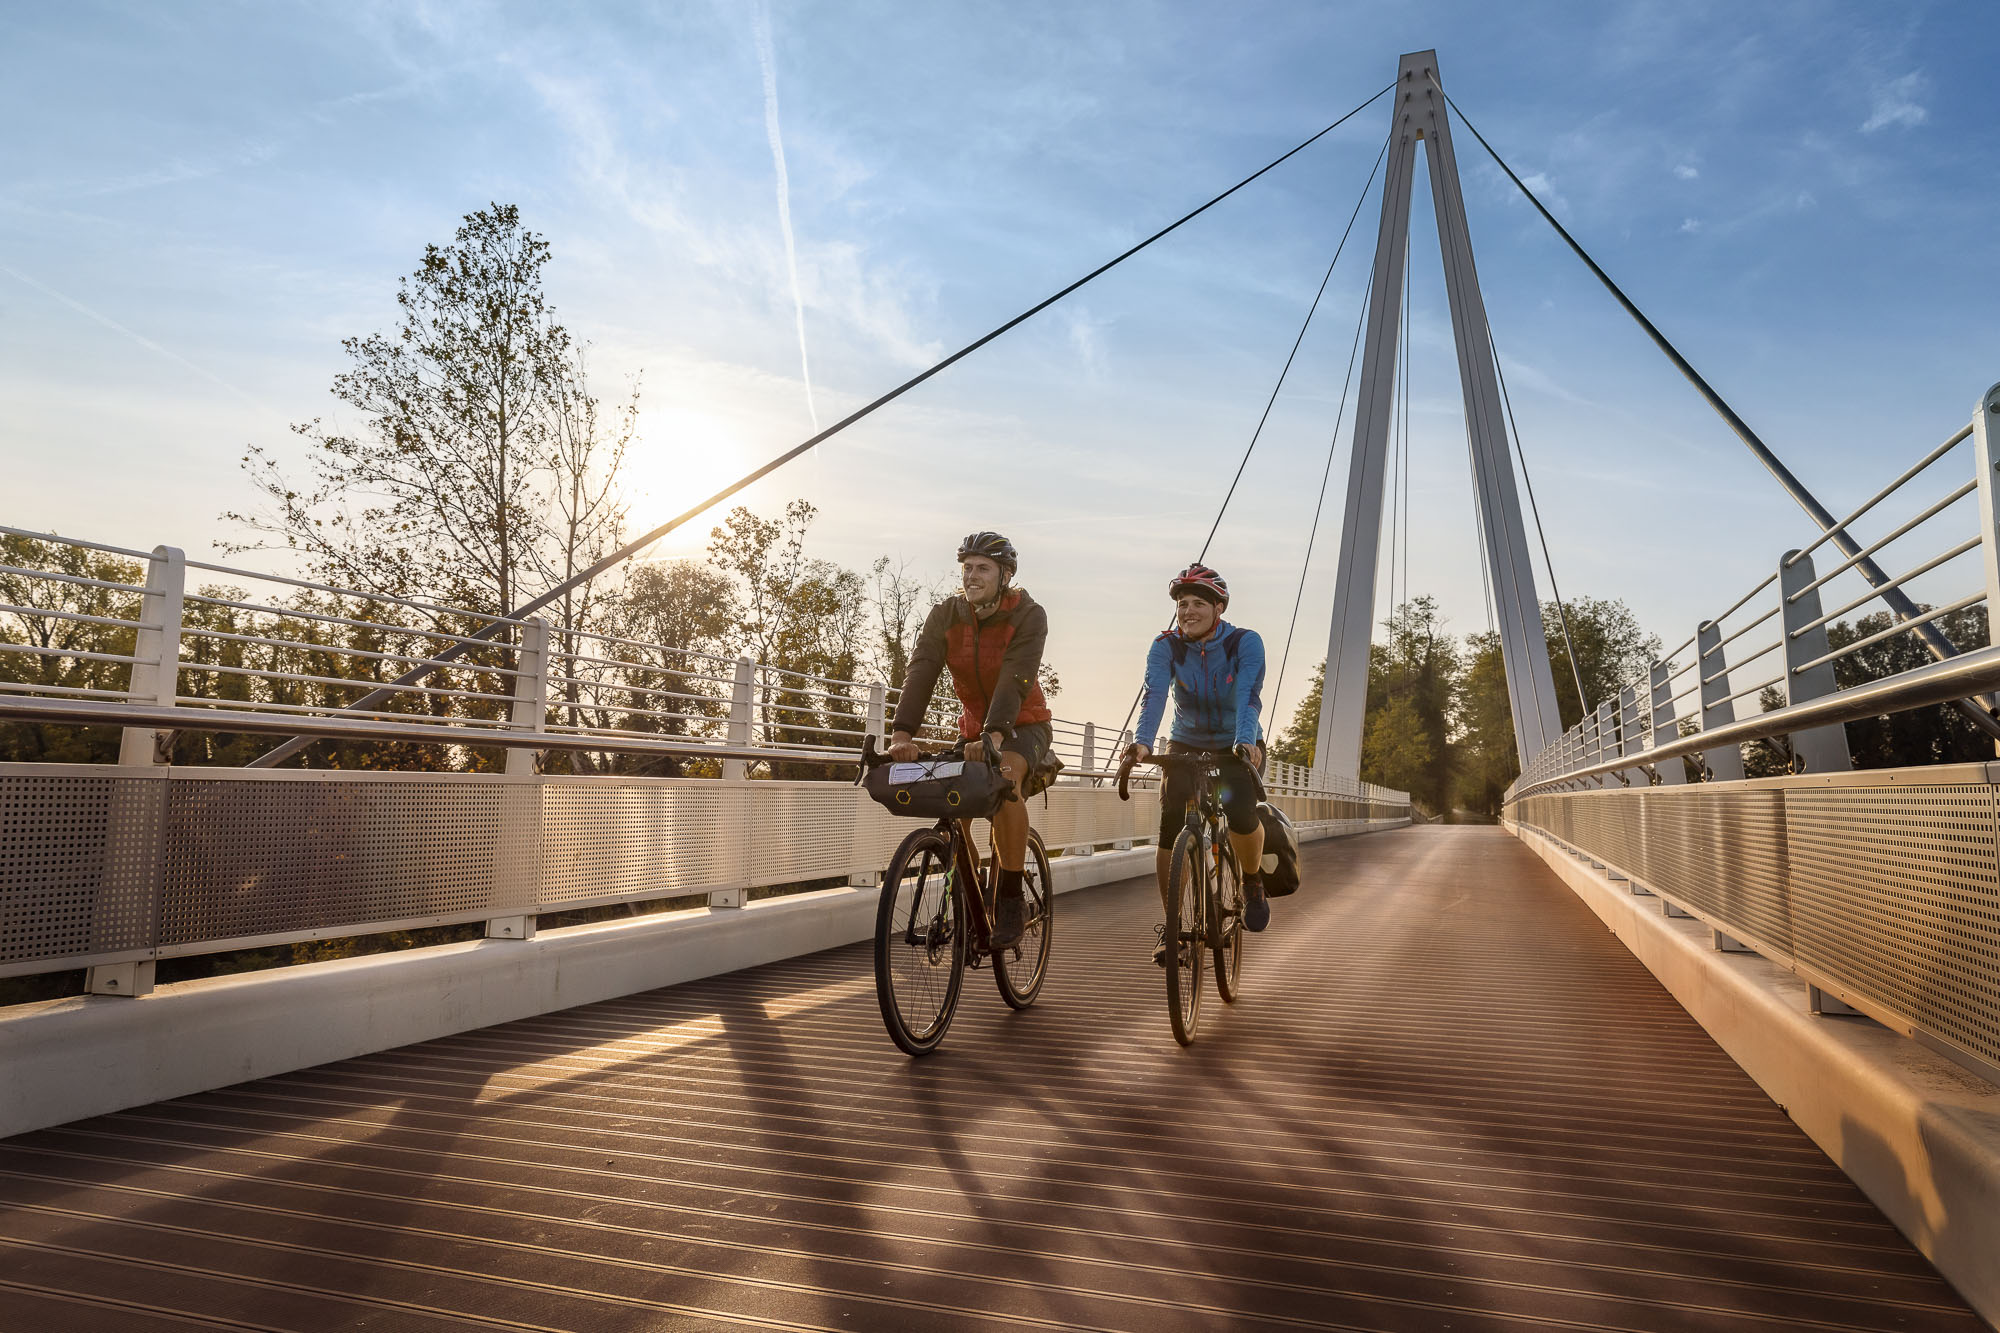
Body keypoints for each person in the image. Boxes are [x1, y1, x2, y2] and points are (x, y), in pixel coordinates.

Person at [886, 531, 1052, 949]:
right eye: (967, 568)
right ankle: (971, 886)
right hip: (974, 730)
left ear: (1005, 574)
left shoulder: (1028, 615)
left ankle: (1010, 902)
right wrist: (902, 734)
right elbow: (921, 670)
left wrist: (995, 733)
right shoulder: (946, 616)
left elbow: (1017, 674)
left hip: (1023, 724)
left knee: (1005, 781)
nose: (971, 576)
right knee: (952, 801)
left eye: (982, 568)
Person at [1126, 562, 1270, 963]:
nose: (1187, 612)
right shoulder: (1165, 646)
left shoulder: (1244, 642)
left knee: (1242, 811)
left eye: (1198, 604)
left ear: (1218, 608)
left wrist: (1245, 741)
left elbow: (1248, 696)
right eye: (1182, 604)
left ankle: (1253, 880)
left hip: (1235, 740)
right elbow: (1155, 695)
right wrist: (1141, 744)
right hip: (1185, 740)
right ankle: (1172, 927)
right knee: (1171, 827)